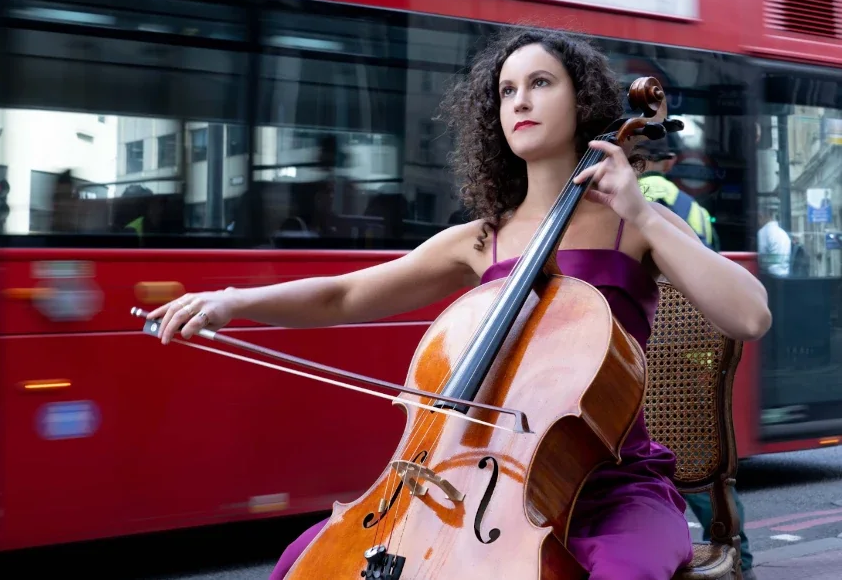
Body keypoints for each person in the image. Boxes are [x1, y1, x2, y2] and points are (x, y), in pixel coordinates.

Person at [148, 29, 772, 580]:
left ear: (582, 101)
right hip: (476, 482)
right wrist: (232, 301)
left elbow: (749, 316)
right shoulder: (481, 239)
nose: (520, 101)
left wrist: (641, 211)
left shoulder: (634, 224)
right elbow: (346, 293)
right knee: (307, 560)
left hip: (610, 489)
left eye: (540, 83)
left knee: (626, 571)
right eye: (507, 91)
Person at [636, 136, 756, 578]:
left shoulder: (599, 200)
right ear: (667, 162)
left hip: (626, 350)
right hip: (682, 352)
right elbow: (712, 273)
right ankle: (740, 562)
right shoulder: (690, 209)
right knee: (696, 455)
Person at [757, 203, 791, 277]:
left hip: (771, 276)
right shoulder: (783, 233)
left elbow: (760, 258)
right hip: (785, 275)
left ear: (761, 216)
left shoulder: (762, 233)